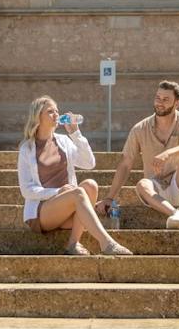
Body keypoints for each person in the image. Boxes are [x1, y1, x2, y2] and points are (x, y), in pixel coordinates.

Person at [17, 96, 132, 256]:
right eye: (50, 111)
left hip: (68, 211)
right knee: (77, 192)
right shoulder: (27, 149)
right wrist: (58, 191)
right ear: (38, 116)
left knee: (90, 185)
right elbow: (27, 190)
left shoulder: (64, 141)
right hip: (42, 213)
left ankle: (73, 243)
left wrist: (75, 133)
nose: (56, 114)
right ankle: (107, 243)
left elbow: (89, 163)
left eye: (57, 111)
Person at [103, 80, 179, 229]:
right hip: (156, 191)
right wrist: (109, 198)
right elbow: (125, 164)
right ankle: (177, 214)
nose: (160, 103)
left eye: (166, 99)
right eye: (157, 98)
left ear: (177, 103)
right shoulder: (140, 128)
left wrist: (168, 153)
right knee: (142, 184)